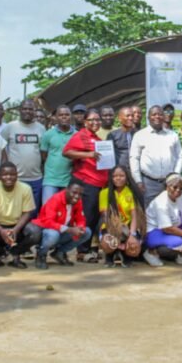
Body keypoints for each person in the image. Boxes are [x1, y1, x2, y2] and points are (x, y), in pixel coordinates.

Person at [63, 108, 109, 262]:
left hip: (98, 184)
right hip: (86, 182)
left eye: (97, 120)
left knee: (94, 218)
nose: (95, 122)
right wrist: (88, 154)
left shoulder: (98, 139)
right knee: (87, 217)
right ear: (85, 122)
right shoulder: (81, 135)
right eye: (92, 120)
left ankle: (88, 248)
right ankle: (82, 251)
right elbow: (67, 152)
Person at [0, 162, 40, 269]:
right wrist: (1, 231)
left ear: (17, 175)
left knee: (35, 232)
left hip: (18, 225)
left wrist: (16, 230)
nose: (9, 177)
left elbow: (27, 213)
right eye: (5, 174)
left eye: (12, 174)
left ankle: (16, 254)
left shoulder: (26, 188)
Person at [129, 105, 182, 207]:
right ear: (148, 117)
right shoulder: (140, 135)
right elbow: (134, 158)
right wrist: (138, 181)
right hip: (149, 183)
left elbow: (179, 156)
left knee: (170, 210)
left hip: (170, 182)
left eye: (160, 114)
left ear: (164, 117)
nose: (157, 116)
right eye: (154, 114)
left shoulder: (172, 135)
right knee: (150, 212)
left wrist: (176, 176)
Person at [144, 173, 182, 267]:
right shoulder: (161, 203)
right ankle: (150, 252)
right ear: (167, 187)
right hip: (155, 230)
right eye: (175, 187)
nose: (178, 190)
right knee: (178, 243)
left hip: (173, 224)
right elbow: (167, 228)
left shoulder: (181, 196)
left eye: (181, 188)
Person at [1, 99, 46, 217]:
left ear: (34, 111)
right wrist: (6, 164)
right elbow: (1, 145)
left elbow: (43, 151)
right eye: (25, 109)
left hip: (36, 178)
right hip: (16, 178)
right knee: (15, 212)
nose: (28, 111)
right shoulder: (10, 127)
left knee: (33, 213)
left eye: (30, 109)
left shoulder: (41, 128)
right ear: (20, 110)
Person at [32, 182, 92, 269]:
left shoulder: (77, 201)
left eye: (80, 194)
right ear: (66, 190)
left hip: (62, 231)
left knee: (86, 232)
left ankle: (59, 253)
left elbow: (81, 219)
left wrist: (80, 227)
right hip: (47, 231)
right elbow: (48, 222)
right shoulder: (56, 199)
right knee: (53, 235)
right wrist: (69, 229)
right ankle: (41, 254)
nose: (77, 196)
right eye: (74, 192)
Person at [99, 166, 145, 267]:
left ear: (127, 177)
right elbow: (105, 216)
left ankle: (126, 255)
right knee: (108, 242)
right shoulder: (104, 193)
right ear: (111, 178)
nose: (118, 178)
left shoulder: (131, 193)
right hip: (111, 226)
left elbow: (134, 216)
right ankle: (110, 255)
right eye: (115, 176)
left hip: (128, 227)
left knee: (134, 247)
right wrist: (114, 232)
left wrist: (132, 235)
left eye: (121, 175)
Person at [40, 105, 75, 203]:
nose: (64, 117)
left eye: (67, 114)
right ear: (56, 117)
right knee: (48, 209)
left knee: (66, 210)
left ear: (71, 116)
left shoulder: (77, 135)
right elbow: (44, 156)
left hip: (68, 180)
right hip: (51, 180)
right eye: (61, 115)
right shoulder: (48, 134)